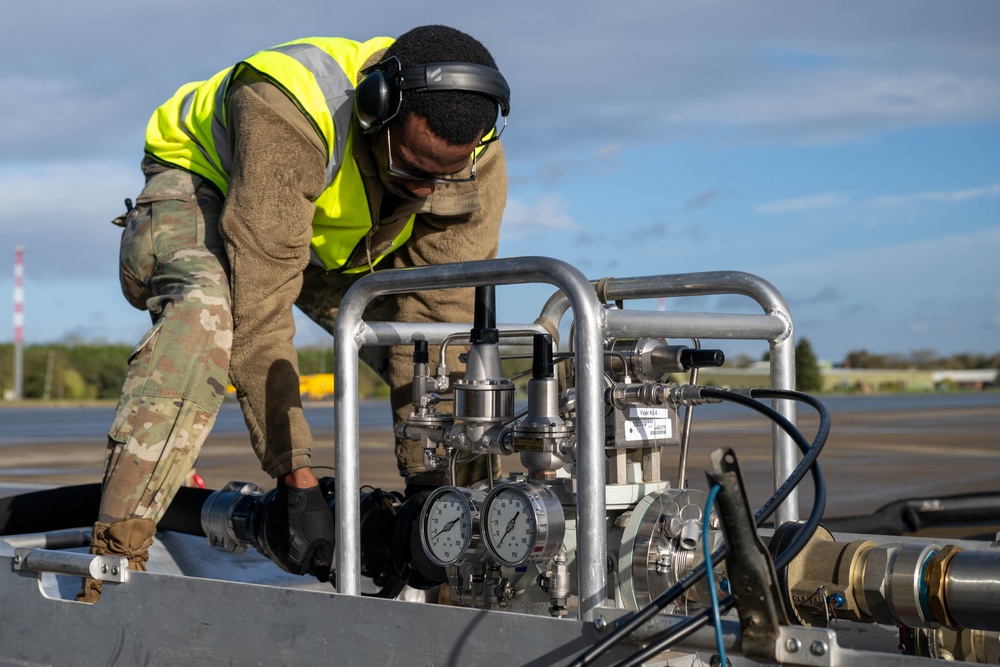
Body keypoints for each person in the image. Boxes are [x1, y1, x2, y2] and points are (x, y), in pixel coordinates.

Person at [78, 24, 509, 602]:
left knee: (459, 371)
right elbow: (262, 309)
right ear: (375, 109)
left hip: (333, 244)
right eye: (413, 169)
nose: (428, 192)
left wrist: (437, 507)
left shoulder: (473, 154)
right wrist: (295, 481)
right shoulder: (288, 106)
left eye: (443, 175)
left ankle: (470, 573)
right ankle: (114, 558)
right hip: (205, 190)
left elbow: (437, 326)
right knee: (208, 316)